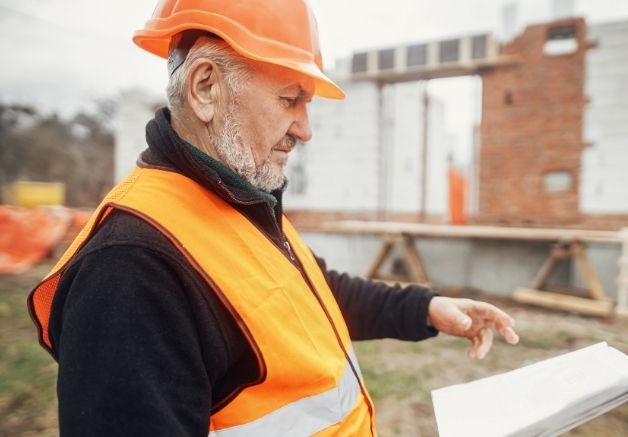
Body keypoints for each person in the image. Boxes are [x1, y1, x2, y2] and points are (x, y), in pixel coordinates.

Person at [28, 1, 519, 435]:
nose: (305, 130)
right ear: (206, 88)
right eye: (290, 100)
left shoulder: (237, 196)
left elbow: (307, 294)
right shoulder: (130, 270)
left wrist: (426, 308)